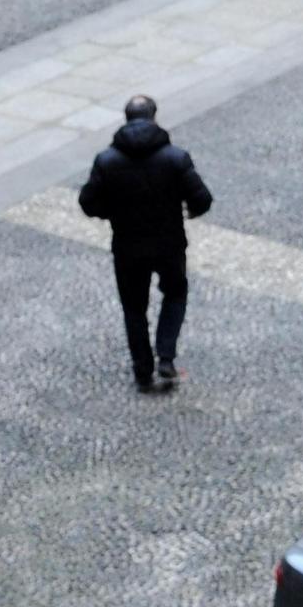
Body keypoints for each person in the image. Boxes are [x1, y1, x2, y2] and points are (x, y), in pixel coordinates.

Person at [78, 94, 213, 392]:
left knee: (134, 308)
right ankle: (165, 356)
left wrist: (109, 212)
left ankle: (142, 371)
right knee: (175, 293)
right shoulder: (175, 158)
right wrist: (187, 210)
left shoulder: (106, 161)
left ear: (126, 119)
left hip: (127, 247)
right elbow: (202, 199)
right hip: (169, 244)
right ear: (154, 117)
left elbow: (88, 204)